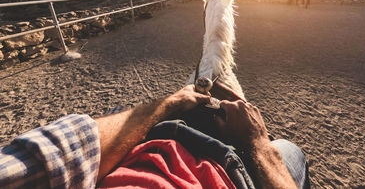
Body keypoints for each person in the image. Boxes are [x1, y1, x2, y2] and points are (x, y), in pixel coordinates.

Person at [0, 85, 309, 188]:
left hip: (142, 147)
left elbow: (68, 154)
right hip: (225, 170)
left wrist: (172, 104)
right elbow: (64, 148)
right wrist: (258, 143)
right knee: (289, 150)